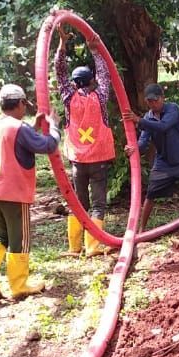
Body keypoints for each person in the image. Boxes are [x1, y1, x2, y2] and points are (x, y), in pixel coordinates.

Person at [0, 83, 60, 302]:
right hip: (13, 193)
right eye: (25, 104)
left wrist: (31, 127)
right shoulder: (19, 128)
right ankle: (19, 286)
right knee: (19, 240)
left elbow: (11, 141)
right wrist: (54, 127)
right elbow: (48, 145)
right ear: (21, 103)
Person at [54, 34, 115, 257]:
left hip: (78, 161)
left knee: (78, 203)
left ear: (73, 83)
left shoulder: (68, 98)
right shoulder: (100, 96)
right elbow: (105, 75)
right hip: (99, 160)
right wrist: (96, 50)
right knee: (98, 204)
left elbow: (59, 73)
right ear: (92, 81)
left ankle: (74, 247)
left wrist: (62, 45)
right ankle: (93, 247)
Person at [132, 83, 179, 231]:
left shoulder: (173, 109)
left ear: (162, 98)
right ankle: (141, 230)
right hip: (163, 162)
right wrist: (134, 148)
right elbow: (143, 142)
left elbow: (163, 126)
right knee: (151, 194)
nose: (153, 104)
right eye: (149, 101)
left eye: (155, 100)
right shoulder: (148, 117)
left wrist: (140, 121)